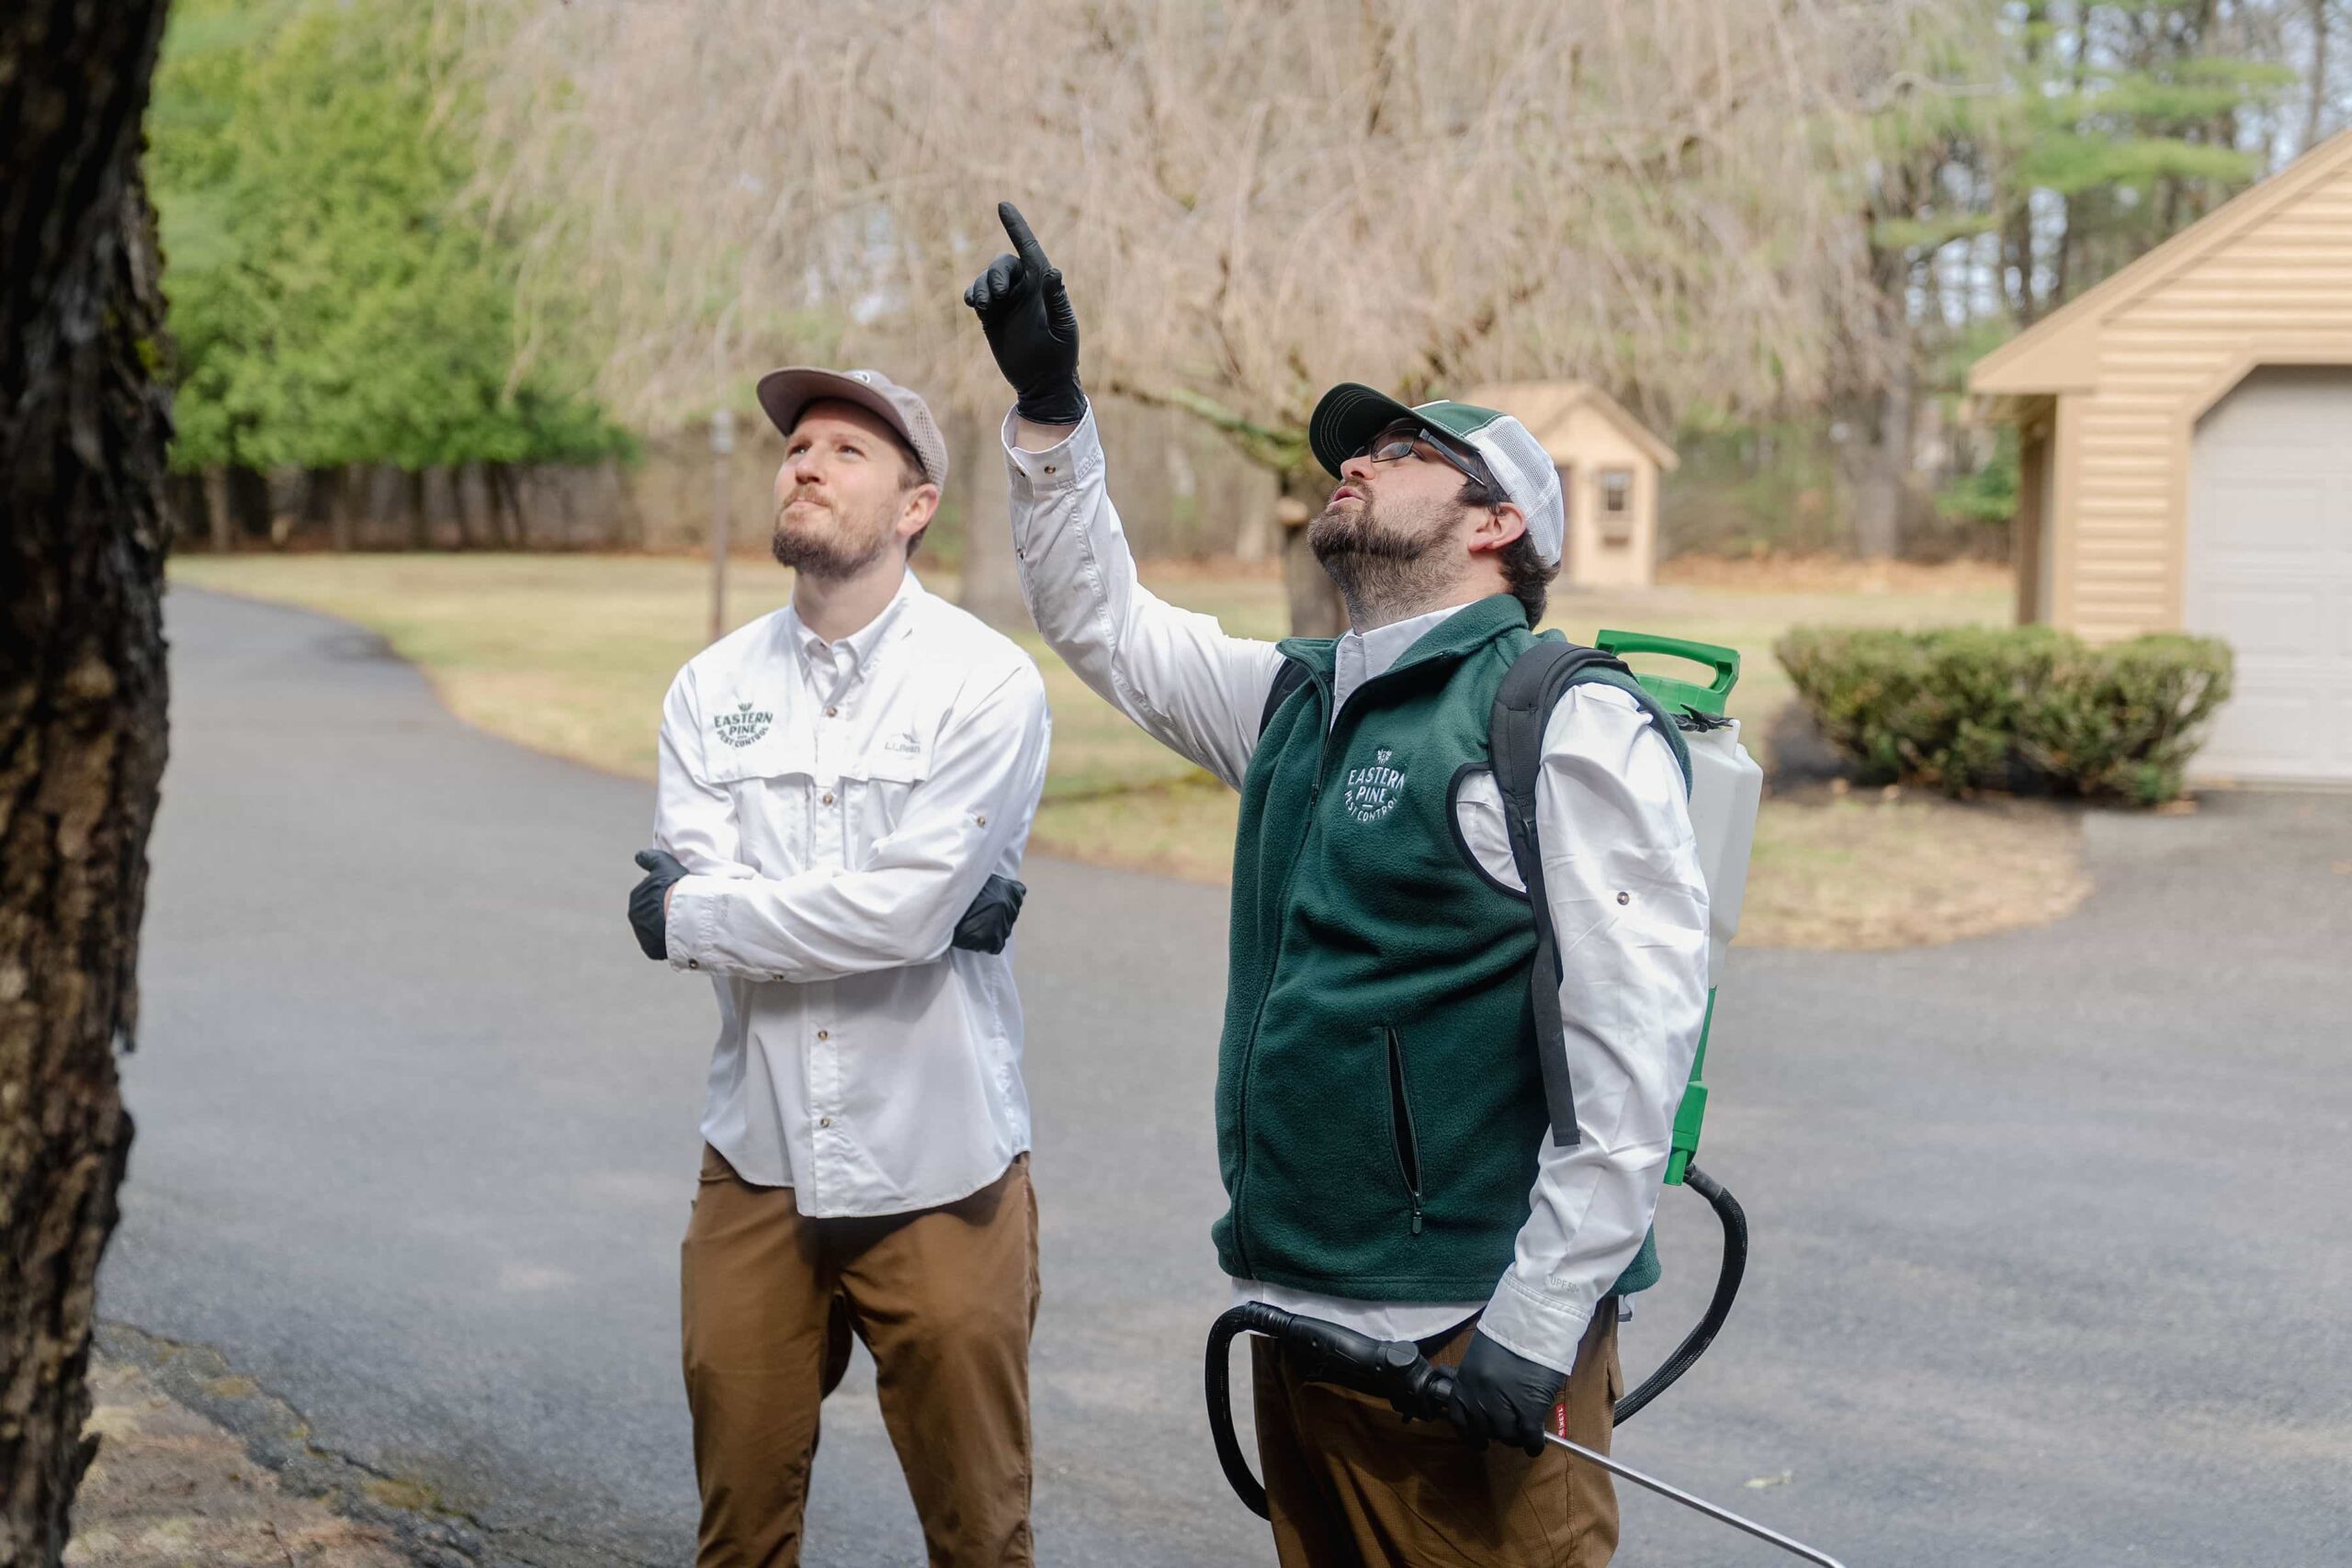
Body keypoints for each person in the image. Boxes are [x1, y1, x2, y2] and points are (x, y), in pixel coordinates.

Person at [964, 206, 1709, 1566]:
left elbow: (1633, 1064)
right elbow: (1105, 624)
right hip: (1302, 1324)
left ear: (1499, 523)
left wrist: (1534, 1335)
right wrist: (1054, 413)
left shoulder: (1560, 721)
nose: (1357, 459)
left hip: (1469, 1340)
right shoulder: (1293, 702)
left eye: (1406, 449)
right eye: (1357, 447)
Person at [625, 367, 1053, 1568]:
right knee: (739, 1529)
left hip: (942, 1162)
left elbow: (880, 913)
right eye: (797, 443)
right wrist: (894, 906)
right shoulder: (710, 691)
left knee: (981, 1529)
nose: (804, 462)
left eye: (845, 451)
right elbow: (889, 905)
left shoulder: (984, 681)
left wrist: (711, 916)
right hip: (755, 1154)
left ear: (916, 506)